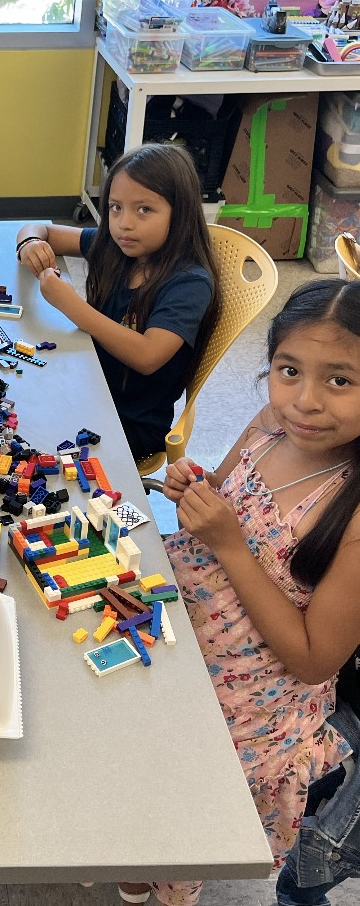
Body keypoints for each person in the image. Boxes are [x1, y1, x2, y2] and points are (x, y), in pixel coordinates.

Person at [131, 278, 360, 906]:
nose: (305, 402)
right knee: (119, 739)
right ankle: (133, 868)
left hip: (253, 700)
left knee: (181, 804)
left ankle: (168, 885)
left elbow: (314, 661)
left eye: (341, 380)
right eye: (289, 370)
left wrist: (230, 542)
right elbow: (206, 523)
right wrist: (194, 493)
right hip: (182, 622)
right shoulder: (267, 425)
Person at [16, 143, 221, 461]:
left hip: (131, 424)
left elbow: (148, 355)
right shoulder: (118, 246)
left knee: (20, 441)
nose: (125, 223)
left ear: (180, 213)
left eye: (144, 210)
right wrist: (29, 242)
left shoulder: (189, 282)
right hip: (92, 385)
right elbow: (41, 229)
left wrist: (70, 305)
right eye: (115, 207)